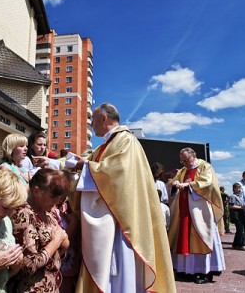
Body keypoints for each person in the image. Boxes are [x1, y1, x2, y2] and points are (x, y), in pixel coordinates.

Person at [72, 103, 175, 292]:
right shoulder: (109, 143)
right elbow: (92, 164)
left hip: (122, 220)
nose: (91, 125)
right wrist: (57, 164)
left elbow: (115, 172)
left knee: (120, 266)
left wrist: (84, 167)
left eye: (92, 121)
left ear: (103, 119)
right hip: (112, 214)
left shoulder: (125, 140)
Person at [169, 147, 225, 284]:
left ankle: (205, 271)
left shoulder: (205, 166)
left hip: (200, 210)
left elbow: (209, 183)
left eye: (186, 160)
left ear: (193, 156)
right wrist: (175, 183)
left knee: (202, 236)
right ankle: (185, 270)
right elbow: (173, 181)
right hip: (183, 209)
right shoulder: (183, 170)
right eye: (182, 161)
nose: (184, 164)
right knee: (183, 238)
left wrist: (189, 186)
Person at [9, 168, 70, 292]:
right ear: (37, 191)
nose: (57, 202)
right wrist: (56, 242)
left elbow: (63, 245)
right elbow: (27, 266)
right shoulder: (23, 213)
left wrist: (63, 244)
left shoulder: (46, 212)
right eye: (53, 196)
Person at [229, 183, 245, 250]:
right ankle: (240, 244)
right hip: (236, 214)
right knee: (240, 230)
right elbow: (231, 206)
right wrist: (241, 207)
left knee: (240, 230)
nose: (239, 189)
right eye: (238, 188)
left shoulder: (241, 196)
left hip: (241, 214)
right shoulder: (233, 196)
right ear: (234, 189)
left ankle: (235, 244)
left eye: (240, 188)